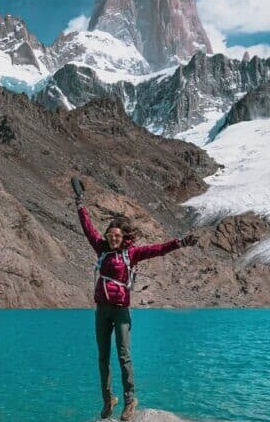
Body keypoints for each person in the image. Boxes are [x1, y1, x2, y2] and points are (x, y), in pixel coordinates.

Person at [71, 177, 198, 421]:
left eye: (117, 235)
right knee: (102, 356)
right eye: (110, 234)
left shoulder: (132, 254)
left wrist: (180, 243)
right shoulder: (102, 248)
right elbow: (88, 227)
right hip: (102, 311)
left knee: (123, 354)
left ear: (124, 236)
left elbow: (158, 249)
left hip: (121, 312)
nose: (113, 238)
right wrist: (80, 204)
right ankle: (108, 399)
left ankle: (130, 400)